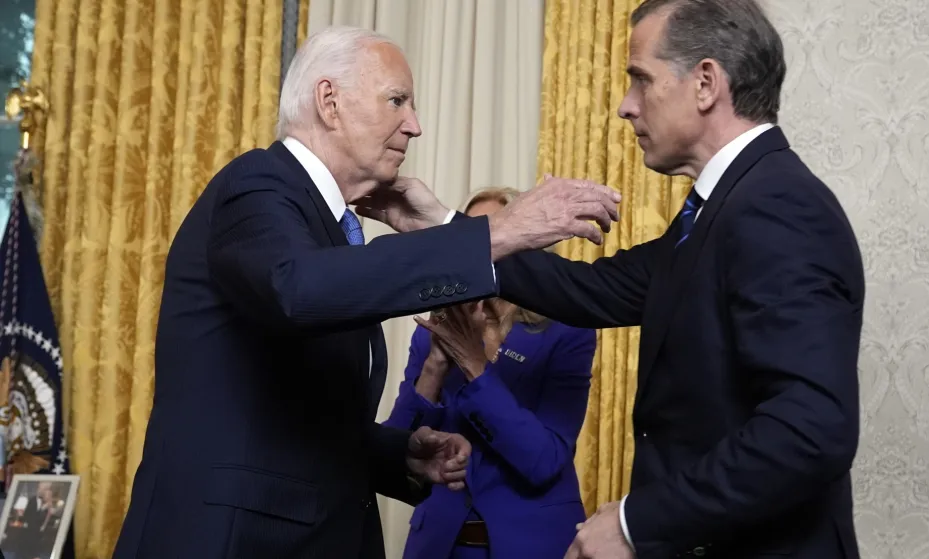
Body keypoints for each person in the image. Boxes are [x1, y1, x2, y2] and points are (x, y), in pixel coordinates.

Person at [365, 1, 865, 558]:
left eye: (641, 80)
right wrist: (443, 223)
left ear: (705, 83)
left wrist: (635, 521)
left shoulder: (778, 207)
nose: (626, 107)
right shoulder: (724, 208)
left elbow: (811, 431)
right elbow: (590, 290)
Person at [111, 26, 620, 559]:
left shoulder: (324, 224)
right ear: (329, 102)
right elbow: (298, 291)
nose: (415, 126)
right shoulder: (257, 185)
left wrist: (396, 456)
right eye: (397, 101)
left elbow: (290, 415)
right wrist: (498, 234)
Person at [384, 187, 597, 559]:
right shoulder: (434, 328)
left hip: (533, 544)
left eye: (489, 236)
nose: (476, 252)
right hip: (439, 545)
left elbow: (542, 460)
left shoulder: (567, 331)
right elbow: (395, 451)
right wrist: (435, 365)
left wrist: (474, 365)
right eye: (467, 239)